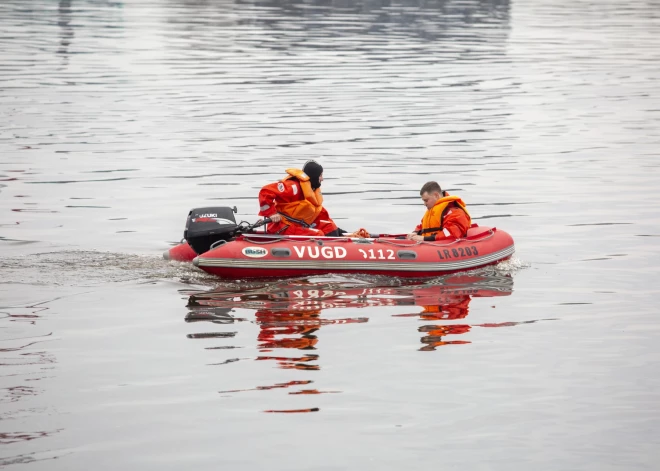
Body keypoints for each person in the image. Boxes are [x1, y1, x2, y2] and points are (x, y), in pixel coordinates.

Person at [258, 160, 367, 237]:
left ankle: (343, 246)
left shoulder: (311, 190)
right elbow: (266, 191)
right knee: (318, 234)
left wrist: (342, 232)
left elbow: (319, 214)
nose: (322, 179)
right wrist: (271, 213)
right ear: (315, 176)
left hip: (297, 226)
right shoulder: (293, 187)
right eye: (320, 176)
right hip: (282, 227)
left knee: (330, 227)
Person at [407, 181, 471, 242]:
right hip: (429, 243)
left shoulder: (455, 211)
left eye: (426, 200)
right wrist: (415, 233)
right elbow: (423, 226)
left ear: (436, 195)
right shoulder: (433, 211)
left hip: (441, 245)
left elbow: (451, 233)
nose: (424, 204)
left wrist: (424, 238)